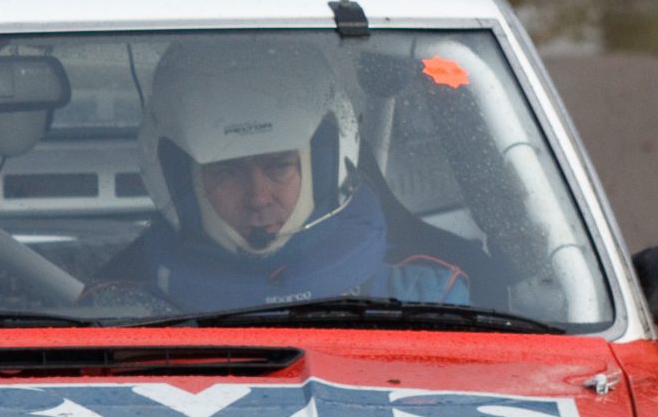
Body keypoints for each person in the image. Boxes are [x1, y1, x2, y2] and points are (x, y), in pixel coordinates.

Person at [94, 37, 469, 310]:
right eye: (226, 171)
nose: (258, 196)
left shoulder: (430, 301)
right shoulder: (115, 316)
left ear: (324, 167)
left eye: (278, 166)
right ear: (177, 178)